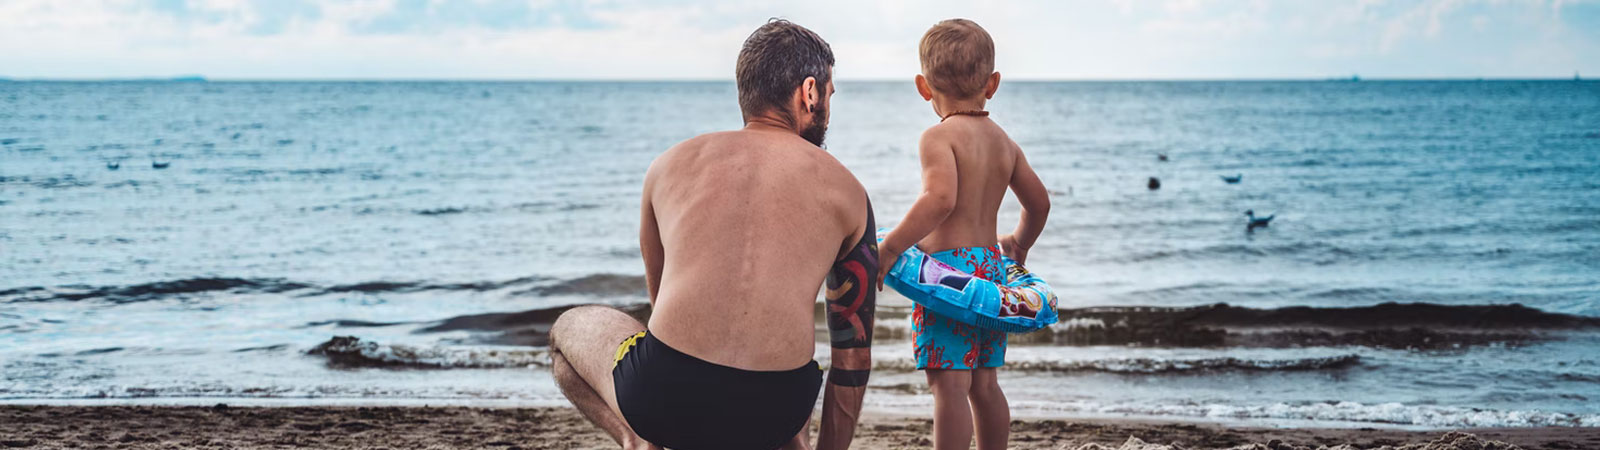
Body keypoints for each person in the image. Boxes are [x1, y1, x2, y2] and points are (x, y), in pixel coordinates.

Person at [548, 19, 879, 450]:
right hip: (777, 412)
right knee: (787, 356)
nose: (828, 110)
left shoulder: (669, 165)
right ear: (810, 91)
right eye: (830, 96)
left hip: (664, 400)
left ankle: (639, 441)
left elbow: (662, 304)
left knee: (566, 332)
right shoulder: (849, 191)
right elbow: (853, 358)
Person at [875, 18, 1051, 450]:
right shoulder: (1005, 143)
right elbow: (1040, 204)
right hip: (990, 272)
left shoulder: (938, 137)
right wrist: (1018, 245)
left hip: (947, 278)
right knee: (985, 384)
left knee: (949, 386)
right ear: (992, 83)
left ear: (923, 86)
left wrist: (889, 249)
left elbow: (940, 200)